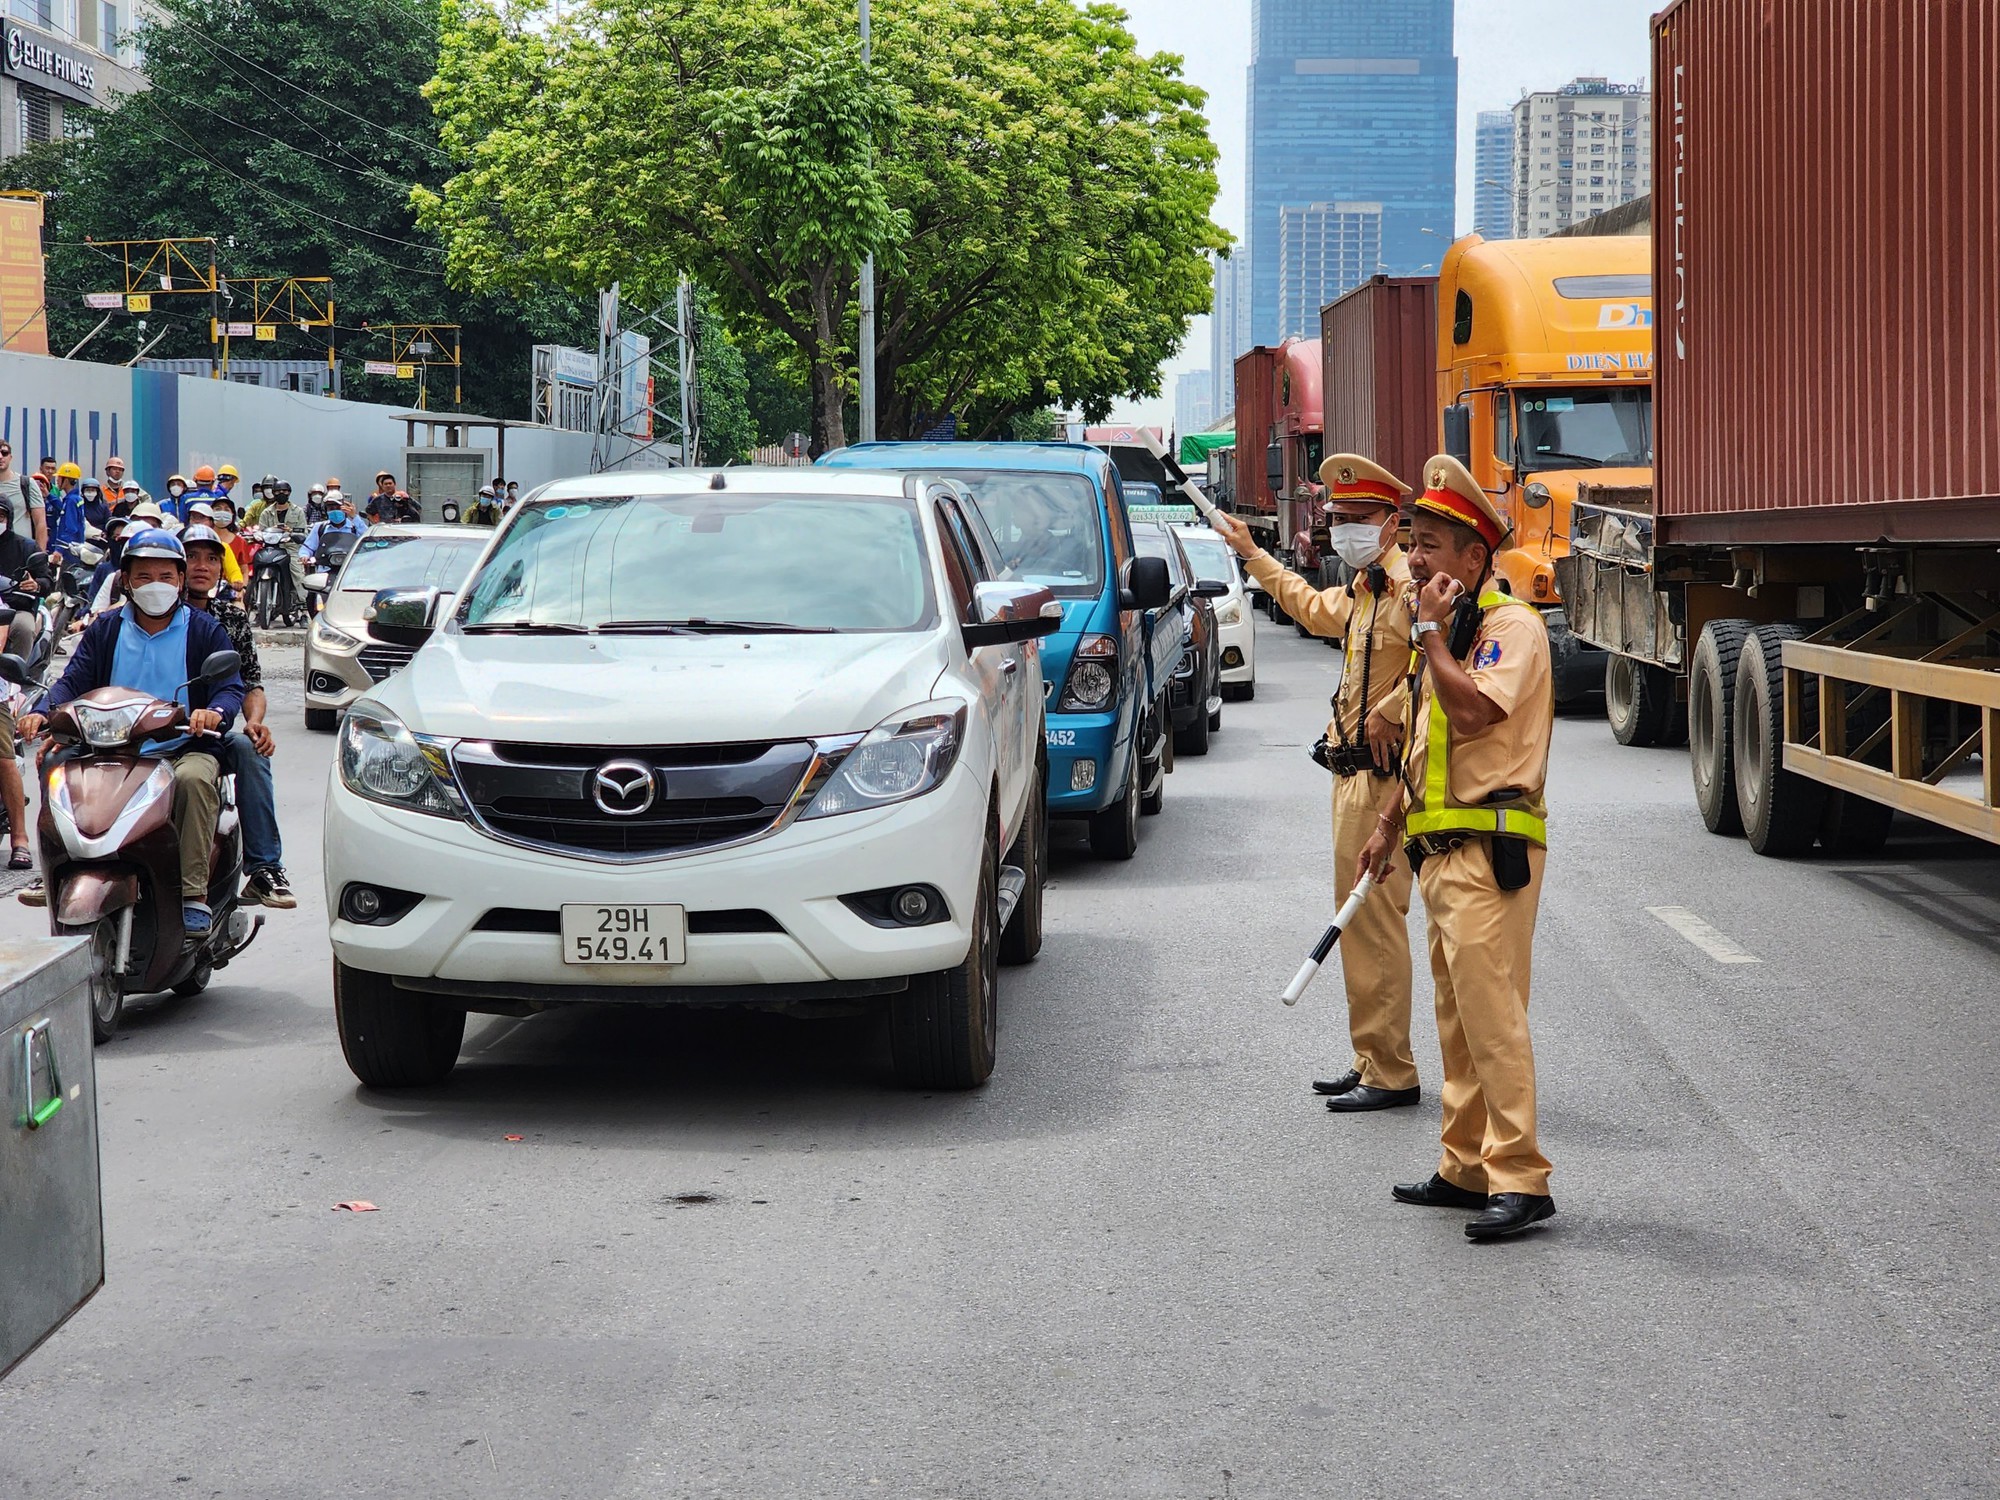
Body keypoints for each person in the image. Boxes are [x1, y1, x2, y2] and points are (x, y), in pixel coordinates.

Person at [1356, 455, 1557, 1242]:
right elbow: (1427, 750)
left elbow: (1473, 716)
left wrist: (1433, 638)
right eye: (1412, 544)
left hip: (1490, 850)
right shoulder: (1451, 635)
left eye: (1432, 545)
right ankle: (1466, 1168)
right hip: (1437, 851)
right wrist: (1385, 828)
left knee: (1493, 1018)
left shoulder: (1510, 629)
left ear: (1475, 560)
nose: (1414, 560)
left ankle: (1522, 1178)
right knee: (1458, 1023)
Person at [1215, 454, 1421, 1111]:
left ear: (1392, 523)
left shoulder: (1410, 589)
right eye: (1338, 519)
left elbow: (1445, 664)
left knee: (1375, 923)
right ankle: (1372, 1057)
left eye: (1358, 519)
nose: (1344, 530)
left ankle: (1391, 1071)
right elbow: (1308, 607)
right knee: (1359, 925)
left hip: (1385, 782)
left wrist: (1397, 704)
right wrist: (1252, 554)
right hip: (1350, 778)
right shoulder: (1365, 592)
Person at [16, 528, 246, 935]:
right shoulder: (105, 629)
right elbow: (73, 680)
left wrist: (213, 711)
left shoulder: (204, 629)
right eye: (143, 577)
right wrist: (44, 711)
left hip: (180, 746)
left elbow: (230, 687)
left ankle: (193, 894)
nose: (155, 586)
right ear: (125, 580)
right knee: (54, 762)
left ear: (179, 580)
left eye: (166, 577)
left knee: (193, 779)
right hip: (109, 746)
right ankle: (55, 866)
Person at [181, 525, 295, 908]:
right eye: (192, 556)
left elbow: (250, 683)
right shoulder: (145, 615)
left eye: (211, 559)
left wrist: (254, 721)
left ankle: (264, 867)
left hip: (212, 733)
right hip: (146, 731)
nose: (202, 566)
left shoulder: (229, 619)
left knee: (250, 748)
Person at [0, 493, 55, 870]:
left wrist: (34, 586)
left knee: (2, 753)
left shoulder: (23, 548)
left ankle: (20, 837)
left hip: (1, 674)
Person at [0, 438, 47, 550]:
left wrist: (39, 557)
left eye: (4, 453)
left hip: (21, 554)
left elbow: (40, 523)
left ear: (10, 457)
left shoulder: (26, 484)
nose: (0, 457)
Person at [304, 489, 367, 565]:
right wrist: (304, 555)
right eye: (331, 509)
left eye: (338, 508)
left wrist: (354, 517)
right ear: (326, 511)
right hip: (324, 570)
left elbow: (368, 538)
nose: (335, 511)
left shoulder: (354, 527)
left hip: (348, 570)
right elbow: (308, 547)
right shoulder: (320, 528)